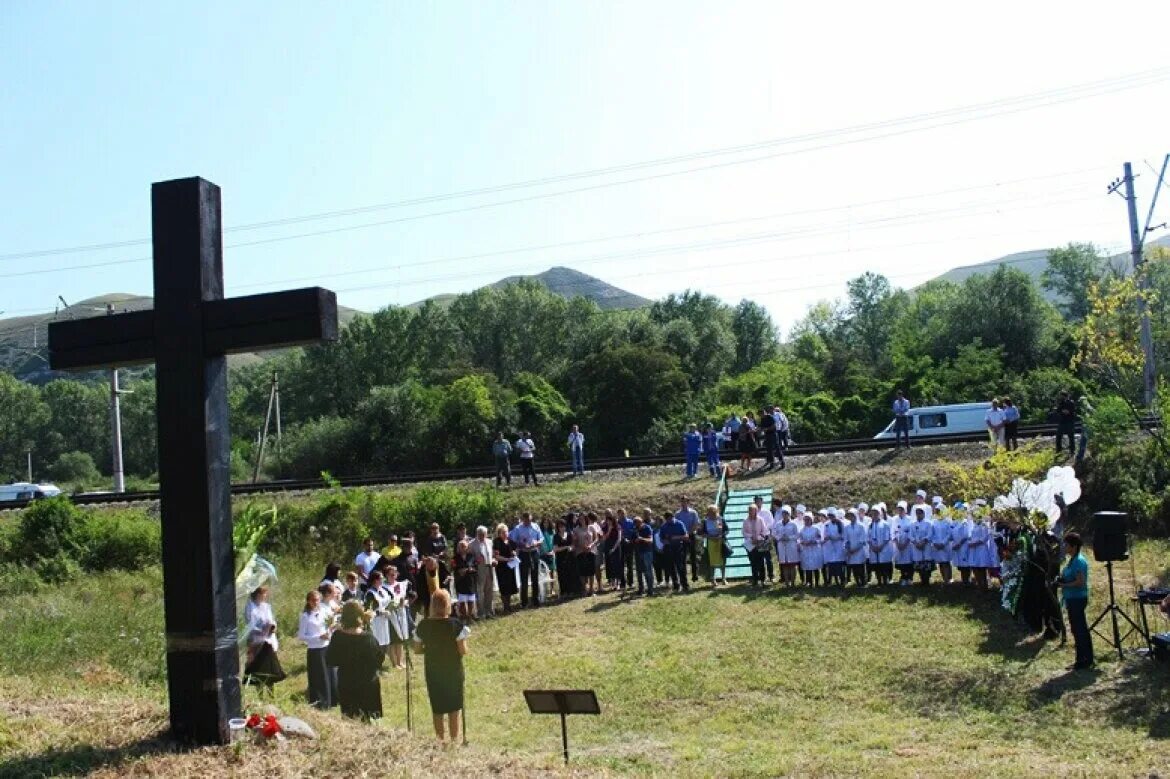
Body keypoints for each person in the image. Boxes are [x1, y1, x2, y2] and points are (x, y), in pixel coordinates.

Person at [413, 590, 470, 742]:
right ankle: (454, 740)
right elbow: (462, 650)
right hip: (452, 669)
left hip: (433, 670)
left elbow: (417, 650)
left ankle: (440, 740)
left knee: (437, 707)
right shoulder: (455, 625)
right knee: (454, 706)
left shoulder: (423, 625)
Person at [326, 600, 385, 720]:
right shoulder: (368, 638)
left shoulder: (337, 637)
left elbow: (330, 660)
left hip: (347, 682)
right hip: (367, 683)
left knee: (349, 719)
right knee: (368, 720)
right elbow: (379, 659)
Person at [1056, 532, 1094, 670]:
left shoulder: (1078, 561)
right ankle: (1082, 659)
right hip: (1072, 599)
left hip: (1077, 599)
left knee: (1079, 630)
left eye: (1066, 544)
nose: (1064, 547)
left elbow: (1080, 582)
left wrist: (1063, 585)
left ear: (1074, 546)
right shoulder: (1071, 560)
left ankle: (1084, 660)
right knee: (1077, 629)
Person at [297, 589, 334, 709]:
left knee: (328, 674)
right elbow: (302, 636)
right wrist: (318, 637)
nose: (316, 602)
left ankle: (330, 700)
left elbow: (328, 626)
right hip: (315, 649)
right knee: (318, 676)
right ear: (308, 601)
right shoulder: (305, 616)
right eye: (313, 600)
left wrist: (329, 632)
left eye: (318, 600)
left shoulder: (323, 611)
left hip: (326, 646)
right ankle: (319, 702)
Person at [243, 586, 285, 688]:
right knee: (259, 669)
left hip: (268, 640)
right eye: (264, 593)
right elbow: (250, 624)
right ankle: (260, 696)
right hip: (257, 641)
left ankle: (271, 695)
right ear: (258, 594)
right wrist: (260, 630)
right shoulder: (250, 607)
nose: (265, 596)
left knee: (270, 669)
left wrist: (273, 626)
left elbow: (271, 620)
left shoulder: (266, 606)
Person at [510, 513, 544, 607]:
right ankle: (524, 602)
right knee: (524, 579)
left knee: (535, 578)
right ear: (523, 519)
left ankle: (535, 600)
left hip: (534, 552)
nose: (528, 522)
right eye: (526, 520)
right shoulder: (518, 528)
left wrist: (537, 542)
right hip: (523, 553)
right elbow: (512, 539)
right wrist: (521, 544)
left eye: (529, 520)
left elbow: (541, 538)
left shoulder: (535, 526)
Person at [384, 564, 414, 668]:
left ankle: (400, 661)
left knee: (400, 639)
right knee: (393, 640)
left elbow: (406, 596)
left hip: (401, 614)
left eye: (394, 574)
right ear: (386, 575)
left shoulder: (400, 585)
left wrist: (404, 602)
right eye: (391, 574)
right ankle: (394, 663)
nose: (393, 576)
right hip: (390, 615)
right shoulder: (384, 587)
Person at [658, 509, 690, 593]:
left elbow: (686, 536)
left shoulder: (680, 524)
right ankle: (676, 585)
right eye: (667, 520)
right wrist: (666, 542)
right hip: (669, 549)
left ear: (673, 517)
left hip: (679, 547)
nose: (669, 521)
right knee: (671, 568)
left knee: (681, 567)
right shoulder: (664, 526)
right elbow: (661, 539)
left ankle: (685, 585)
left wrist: (676, 537)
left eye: (670, 519)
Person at [363, 570, 392, 658]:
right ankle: (375, 663)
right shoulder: (370, 593)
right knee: (377, 642)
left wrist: (389, 608)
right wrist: (381, 612)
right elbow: (368, 611)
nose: (383, 579)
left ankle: (380, 663)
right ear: (375, 580)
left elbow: (390, 601)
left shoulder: (383, 590)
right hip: (375, 621)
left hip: (384, 619)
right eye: (381, 578)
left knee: (385, 642)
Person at [469, 525, 496, 618]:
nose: (482, 536)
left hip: (490, 567)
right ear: (477, 534)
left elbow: (491, 555)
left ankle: (489, 611)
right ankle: (481, 612)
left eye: (484, 534)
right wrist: (476, 560)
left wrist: (493, 560)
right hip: (479, 568)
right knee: (480, 590)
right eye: (480, 534)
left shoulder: (489, 542)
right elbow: (469, 559)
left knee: (489, 590)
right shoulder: (472, 544)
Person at [698, 504, 728, 586]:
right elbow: (700, 532)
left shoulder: (720, 519)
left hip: (720, 541)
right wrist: (707, 536)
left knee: (722, 561)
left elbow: (726, 530)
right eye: (710, 512)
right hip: (710, 542)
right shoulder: (705, 521)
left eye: (714, 512)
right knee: (712, 562)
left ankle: (723, 578)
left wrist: (721, 535)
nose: (712, 514)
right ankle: (713, 579)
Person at [492, 523, 519, 613]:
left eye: (506, 532)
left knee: (510, 587)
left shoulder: (510, 541)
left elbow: (516, 550)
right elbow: (496, 556)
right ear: (499, 533)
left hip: (510, 568)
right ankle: (505, 607)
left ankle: (509, 605)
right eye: (503, 532)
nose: (505, 534)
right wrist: (507, 559)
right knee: (503, 587)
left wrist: (515, 553)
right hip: (501, 568)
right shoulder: (497, 542)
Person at [743, 504, 768, 587]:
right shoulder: (745, 521)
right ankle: (755, 580)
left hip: (760, 543)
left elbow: (764, 531)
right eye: (749, 510)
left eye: (752, 510)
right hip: (750, 544)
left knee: (761, 562)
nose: (751, 512)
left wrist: (758, 538)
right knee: (753, 562)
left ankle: (763, 580)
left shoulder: (760, 520)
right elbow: (744, 532)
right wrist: (751, 538)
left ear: (756, 511)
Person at [867, 505, 894, 586]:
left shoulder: (885, 524)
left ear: (880, 514)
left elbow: (887, 537)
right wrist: (872, 546)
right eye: (873, 513)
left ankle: (885, 581)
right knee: (876, 566)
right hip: (874, 549)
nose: (874, 515)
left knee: (884, 565)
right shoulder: (870, 525)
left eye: (876, 513)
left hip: (883, 548)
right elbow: (868, 537)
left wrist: (881, 546)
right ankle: (879, 581)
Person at [774, 505, 800, 587]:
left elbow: (797, 535)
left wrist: (789, 538)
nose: (784, 515)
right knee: (784, 565)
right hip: (781, 545)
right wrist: (780, 537)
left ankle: (792, 582)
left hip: (791, 546)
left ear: (789, 514)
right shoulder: (778, 524)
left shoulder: (793, 524)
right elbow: (774, 533)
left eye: (786, 514)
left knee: (792, 565)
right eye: (783, 514)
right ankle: (786, 583)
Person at [571, 515, 597, 596]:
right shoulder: (576, 529)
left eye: (583, 519)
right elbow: (574, 542)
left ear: (586, 519)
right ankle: (584, 589)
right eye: (580, 519)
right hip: (580, 552)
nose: (581, 520)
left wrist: (591, 545)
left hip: (591, 551)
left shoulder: (591, 527)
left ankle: (591, 590)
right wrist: (581, 546)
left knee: (591, 571)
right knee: (582, 572)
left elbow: (596, 539)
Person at [553, 517, 578, 598]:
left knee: (570, 574)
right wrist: (566, 547)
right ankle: (564, 592)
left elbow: (573, 545)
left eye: (563, 526)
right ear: (557, 528)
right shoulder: (556, 536)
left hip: (570, 558)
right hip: (560, 559)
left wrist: (571, 548)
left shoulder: (569, 534)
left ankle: (571, 591)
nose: (562, 528)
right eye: (560, 526)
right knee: (562, 575)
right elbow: (555, 549)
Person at [454, 539, 478, 621]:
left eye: (464, 546)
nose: (463, 548)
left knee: (471, 600)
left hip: (470, 580)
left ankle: (470, 616)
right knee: (462, 601)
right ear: (458, 548)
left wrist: (471, 569)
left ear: (467, 547)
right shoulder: (455, 557)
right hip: (460, 581)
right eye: (461, 546)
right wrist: (464, 570)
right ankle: (464, 616)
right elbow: (455, 569)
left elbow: (475, 567)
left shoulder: (471, 556)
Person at [892, 502, 915, 586]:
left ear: (905, 510)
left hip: (908, 544)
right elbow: (892, 532)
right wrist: (897, 543)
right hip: (898, 544)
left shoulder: (910, 519)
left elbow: (911, 532)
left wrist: (906, 543)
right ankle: (903, 577)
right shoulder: (894, 519)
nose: (900, 511)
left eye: (902, 509)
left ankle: (910, 578)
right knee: (901, 562)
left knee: (909, 561)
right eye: (899, 509)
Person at [633, 514, 657, 595]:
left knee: (648, 571)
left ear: (641, 522)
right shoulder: (635, 529)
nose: (637, 526)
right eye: (635, 524)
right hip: (638, 552)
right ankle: (641, 589)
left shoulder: (647, 528)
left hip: (647, 552)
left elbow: (650, 540)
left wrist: (642, 539)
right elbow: (632, 539)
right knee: (639, 571)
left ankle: (650, 590)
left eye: (638, 524)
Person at [844, 508, 868, 586]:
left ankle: (863, 582)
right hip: (850, 550)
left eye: (852, 516)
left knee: (860, 567)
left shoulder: (861, 526)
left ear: (856, 516)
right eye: (850, 516)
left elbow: (863, 539)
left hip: (859, 550)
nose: (851, 517)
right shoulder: (847, 527)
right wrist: (848, 548)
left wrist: (856, 549)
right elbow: (846, 539)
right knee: (853, 567)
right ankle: (857, 582)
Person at [798, 512, 823, 587]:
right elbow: (799, 539)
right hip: (806, 550)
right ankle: (809, 583)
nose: (806, 521)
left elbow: (821, 538)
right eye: (805, 520)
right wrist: (802, 542)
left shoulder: (816, 528)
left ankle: (817, 583)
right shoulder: (802, 530)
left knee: (815, 567)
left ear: (811, 520)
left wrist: (814, 541)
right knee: (808, 567)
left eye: (808, 520)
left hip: (814, 549)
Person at [910, 507, 933, 585]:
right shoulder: (913, 524)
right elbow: (910, 535)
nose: (919, 515)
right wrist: (916, 543)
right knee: (919, 564)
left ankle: (926, 580)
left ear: (924, 514)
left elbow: (930, 534)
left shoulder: (928, 523)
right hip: (916, 546)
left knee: (926, 564)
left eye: (920, 513)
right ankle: (922, 580)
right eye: (917, 513)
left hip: (926, 546)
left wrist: (923, 542)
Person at [539, 517, 558, 601]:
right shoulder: (540, 532)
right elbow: (540, 544)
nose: (545, 524)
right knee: (543, 572)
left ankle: (552, 589)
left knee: (552, 572)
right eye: (544, 523)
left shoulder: (552, 532)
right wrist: (544, 552)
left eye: (547, 522)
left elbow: (554, 542)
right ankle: (544, 590)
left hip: (551, 554)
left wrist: (552, 552)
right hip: (543, 554)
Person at [1055, 390, 1078, 455]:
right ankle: (1058, 450)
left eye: (1061, 395)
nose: (1060, 397)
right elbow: (1058, 410)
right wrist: (1062, 410)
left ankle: (1072, 451)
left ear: (1064, 395)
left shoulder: (1071, 402)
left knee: (1071, 436)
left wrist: (1067, 411)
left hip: (1069, 421)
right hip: (1062, 421)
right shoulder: (1061, 402)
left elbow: (1072, 411)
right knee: (1058, 436)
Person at [618, 509, 636, 590]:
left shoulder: (631, 522)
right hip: (621, 545)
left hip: (630, 545)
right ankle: (622, 583)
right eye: (619, 514)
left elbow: (634, 532)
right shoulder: (617, 523)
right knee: (621, 565)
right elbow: (617, 533)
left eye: (622, 514)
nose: (621, 515)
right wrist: (623, 538)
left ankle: (630, 582)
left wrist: (630, 540)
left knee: (630, 565)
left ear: (625, 513)